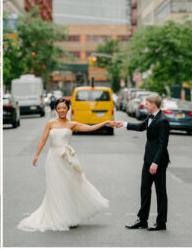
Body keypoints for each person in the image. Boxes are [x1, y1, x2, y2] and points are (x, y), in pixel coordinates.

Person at [17, 98, 114, 231]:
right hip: (53, 158)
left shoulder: (72, 124)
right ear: (56, 109)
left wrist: (106, 122)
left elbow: (90, 128)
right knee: (56, 187)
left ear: (68, 109)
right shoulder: (50, 123)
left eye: (64, 108)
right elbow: (43, 140)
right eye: (59, 108)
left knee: (70, 186)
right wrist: (36, 155)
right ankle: (58, 216)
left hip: (68, 158)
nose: (61, 110)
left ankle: (72, 217)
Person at [113, 93, 169, 231]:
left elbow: (163, 145)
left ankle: (161, 222)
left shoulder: (163, 121)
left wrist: (155, 163)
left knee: (160, 192)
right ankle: (142, 220)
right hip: (147, 160)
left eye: (147, 103)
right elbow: (140, 126)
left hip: (158, 162)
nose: (145, 105)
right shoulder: (150, 117)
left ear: (154, 105)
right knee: (145, 189)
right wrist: (123, 124)